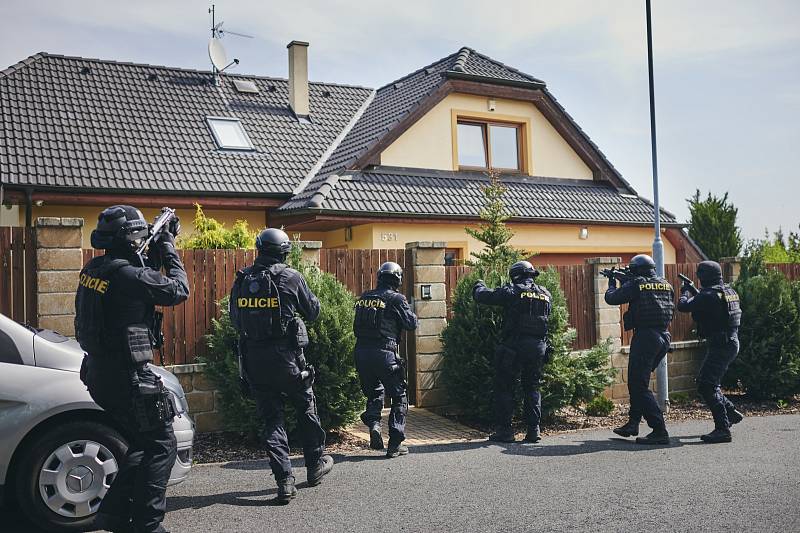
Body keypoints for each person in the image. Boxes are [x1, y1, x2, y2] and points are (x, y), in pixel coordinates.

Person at [76, 205, 188, 533]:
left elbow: (136, 285)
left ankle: (111, 516)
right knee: (162, 445)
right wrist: (168, 249)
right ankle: (148, 525)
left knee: (144, 443)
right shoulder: (126, 275)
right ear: (132, 237)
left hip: (100, 373)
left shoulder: (96, 268)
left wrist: (151, 252)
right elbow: (178, 290)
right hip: (127, 377)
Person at [229, 228, 332, 504]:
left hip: (254, 361)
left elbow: (235, 320)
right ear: (285, 251)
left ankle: (284, 482)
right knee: (306, 407)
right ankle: (314, 466)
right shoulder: (291, 276)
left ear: (259, 249)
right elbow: (313, 311)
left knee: (272, 420)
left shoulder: (242, 279)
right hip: (287, 360)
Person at [473, 261, 552, 443]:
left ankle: (505, 432)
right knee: (532, 387)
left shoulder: (512, 291)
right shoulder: (546, 294)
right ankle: (534, 430)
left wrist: (479, 284)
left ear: (515, 275)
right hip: (538, 348)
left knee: (505, 387)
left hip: (514, 347)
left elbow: (484, 296)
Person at [604, 254, 674, 445]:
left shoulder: (636, 284)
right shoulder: (666, 284)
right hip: (663, 337)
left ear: (636, 270)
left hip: (646, 338)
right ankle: (633, 424)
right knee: (638, 382)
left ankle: (659, 430)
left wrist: (612, 283)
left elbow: (612, 298)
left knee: (638, 385)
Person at [353, 262, 418, 458]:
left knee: (374, 392)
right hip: (385, 353)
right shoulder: (396, 298)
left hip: (362, 354)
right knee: (399, 396)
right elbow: (411, 323)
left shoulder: (365, 297)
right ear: (398, 279)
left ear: (380, 276)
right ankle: (395, 443)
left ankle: (374, 424)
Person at [677, 261, 744, 443]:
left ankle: (722, 429)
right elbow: (714, 307)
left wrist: (685, 290)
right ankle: (730, 412)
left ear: (704, 276)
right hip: (730, 342)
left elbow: (682, 306)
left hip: (721, 345)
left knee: (707, 385)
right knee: (709, 383)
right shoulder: (728, 291)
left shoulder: (707, 295)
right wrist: (695, 291)